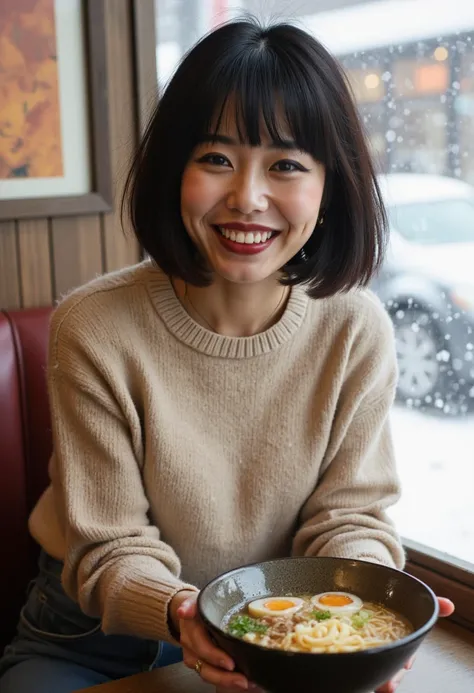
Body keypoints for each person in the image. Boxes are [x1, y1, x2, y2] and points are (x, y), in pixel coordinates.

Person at [0, 17, 453, 693]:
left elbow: (349, 517)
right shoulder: (94, 326)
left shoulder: (356, 328)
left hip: (276, 628)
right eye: (215, 158)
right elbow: (111, 543)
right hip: (94, 638)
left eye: (287, 165)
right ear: (172, 170)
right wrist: (185, 613)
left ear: (330, 187)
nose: (247, 197)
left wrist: (360, 609)